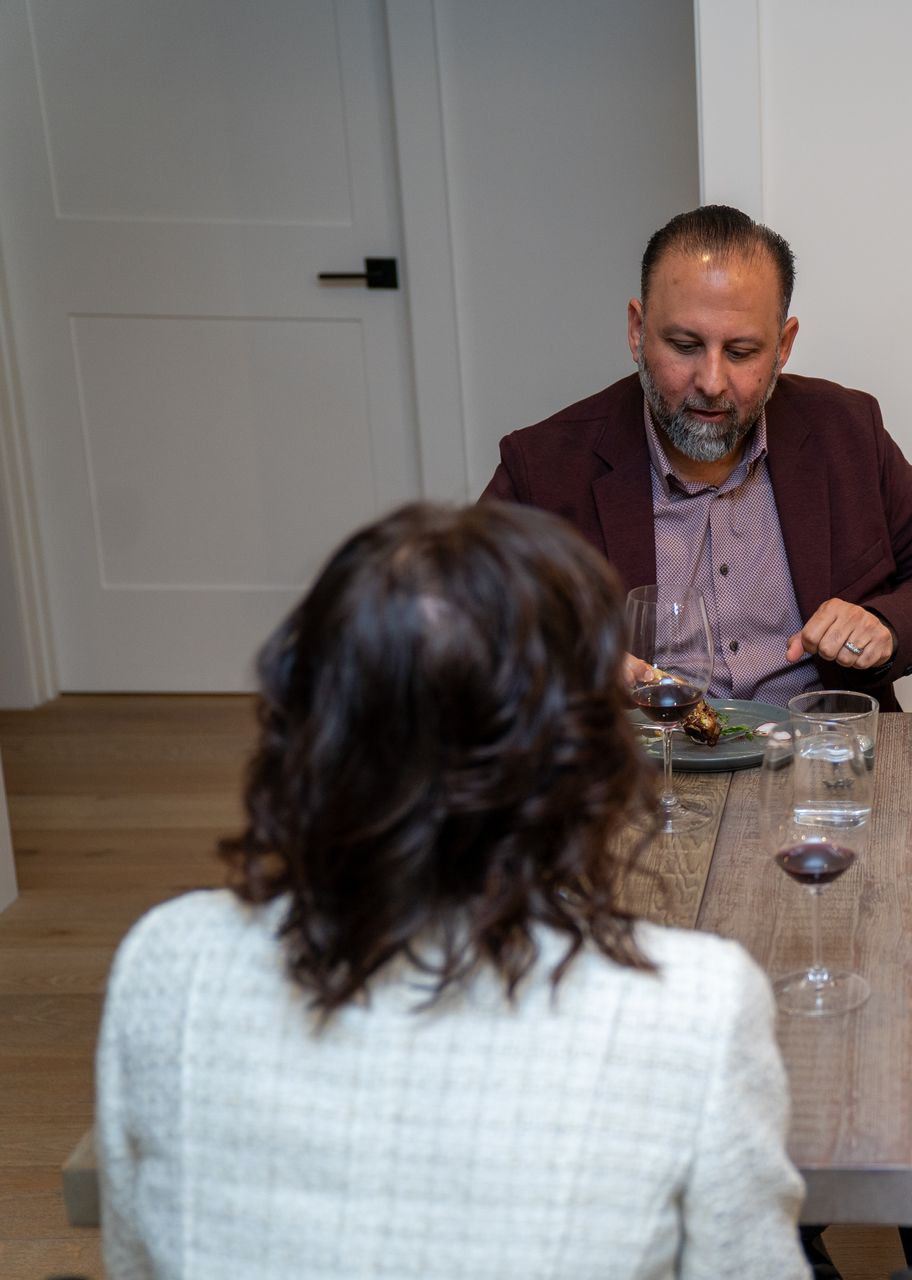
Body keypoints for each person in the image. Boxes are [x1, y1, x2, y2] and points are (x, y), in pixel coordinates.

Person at [95, 503, 809, 1280]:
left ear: (308, 728)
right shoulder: (696, 1006)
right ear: (585, 754)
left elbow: (138, 1260)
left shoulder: (165, 964)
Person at [484, 204, 912, 712]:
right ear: (637, 332)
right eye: (685, 345)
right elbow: (452, 616)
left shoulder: (844, 431)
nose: (712, 383)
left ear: (783, 346)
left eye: (740, 353)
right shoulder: (545, 465)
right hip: (641, 772)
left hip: (823, 765)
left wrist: (886, 624)